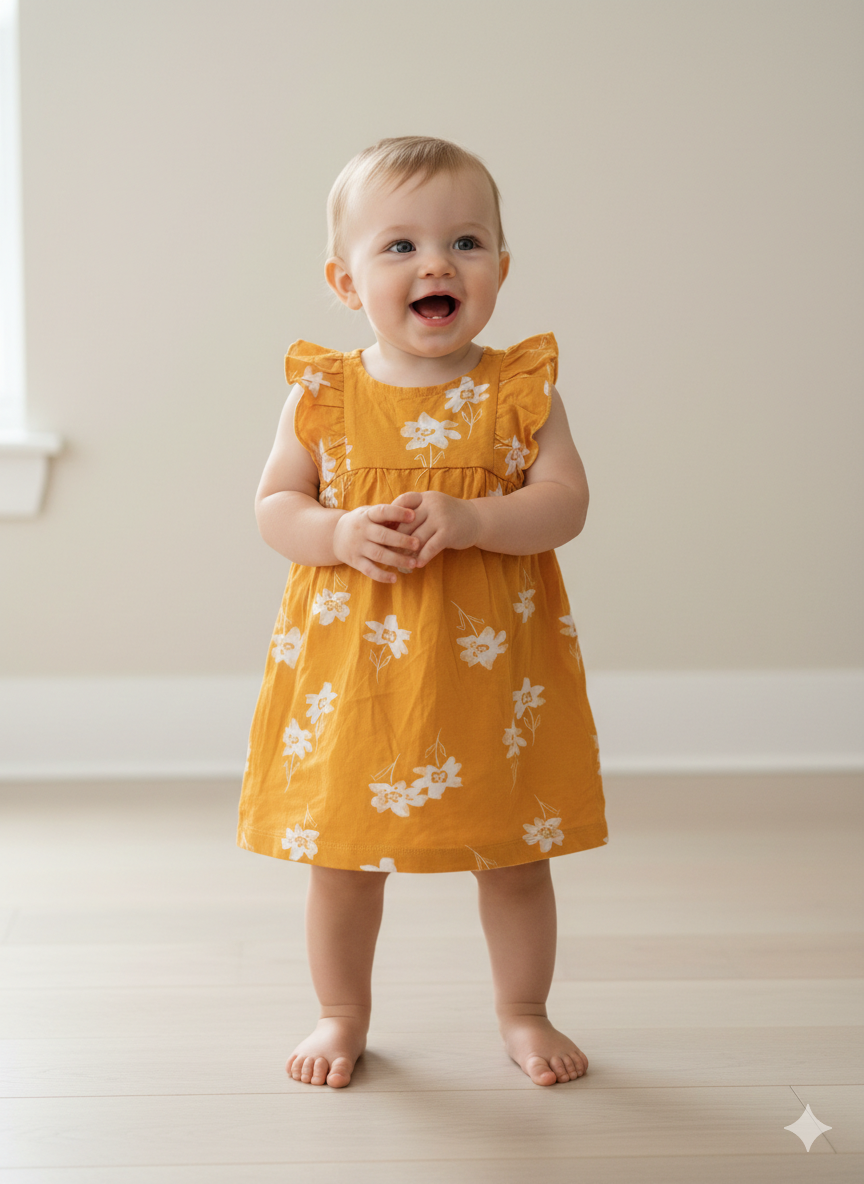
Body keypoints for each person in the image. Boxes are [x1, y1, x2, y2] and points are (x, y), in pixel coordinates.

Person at [237, 135, 608, 1090]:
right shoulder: (324, 394)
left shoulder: (520, 393)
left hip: (489, 680)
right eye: (398, 247)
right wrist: (336, 533)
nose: (436, 264)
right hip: (357, 679)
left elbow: (565, 504)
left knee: (515, 853)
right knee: (345, 859)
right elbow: (276, 507)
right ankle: (340, 1013)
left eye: (465, 243)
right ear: (347, 280)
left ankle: (525, 1010)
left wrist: (479, 515)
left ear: (499, 270)